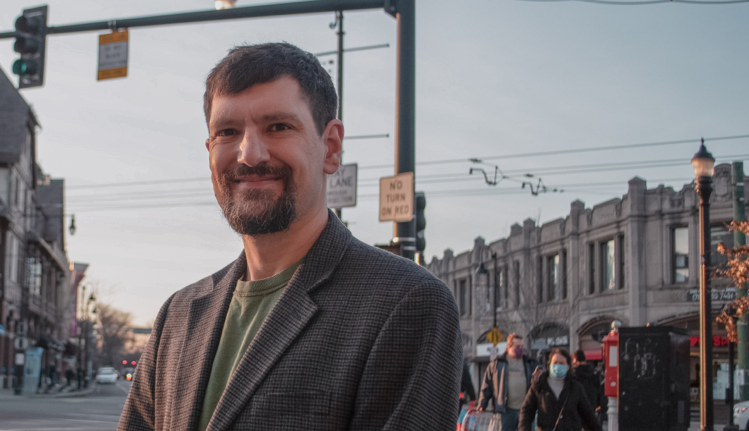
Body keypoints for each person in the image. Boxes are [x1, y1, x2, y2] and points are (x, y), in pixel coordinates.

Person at [117, 42, 462, 431]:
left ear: (330, 148)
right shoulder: (178, 315)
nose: (250, 154)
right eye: (228, 132)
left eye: (278, 127)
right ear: (210, 151)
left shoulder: (407, 302)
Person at [519, 349, 603, 431]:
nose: (558, 366)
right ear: (549, 364)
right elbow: (527, 411)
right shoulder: (539, 385)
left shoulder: (575, 387)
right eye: (555, 362)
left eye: (561, 363)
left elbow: (588, 416)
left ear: (568, 366)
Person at [479, 334, 541, 431]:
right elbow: (487, 385)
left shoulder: (530, 363)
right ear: (508, 347)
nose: (520, 349)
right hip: (505, 411)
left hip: (526, 411)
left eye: (522, 346)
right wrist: (482, 403)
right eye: (517, 347)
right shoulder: (497, 364)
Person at [570, 350, 606, 426]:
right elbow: (598, 388)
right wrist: (598, 403)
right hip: (591, 405)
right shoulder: (593, 372)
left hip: (578, 405)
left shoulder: (574, 373)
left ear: (575, 359)